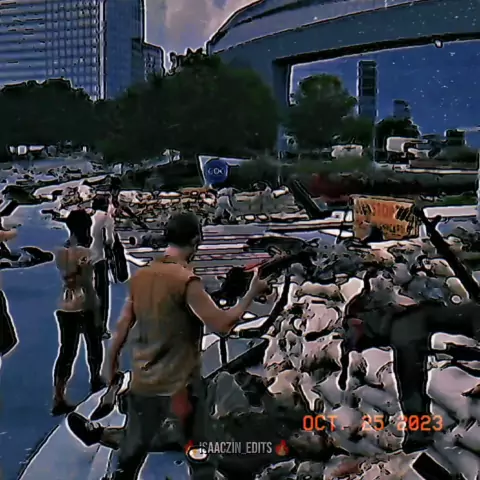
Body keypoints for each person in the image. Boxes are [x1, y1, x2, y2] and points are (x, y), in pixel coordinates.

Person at [67, 212, 272, 479]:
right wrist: (251, 294)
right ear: (196, 240)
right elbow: (222, 326)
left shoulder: (144, 276)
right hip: (180, 383)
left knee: (136, 447)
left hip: (145, 378)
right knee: (200, 450)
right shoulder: (187, 281)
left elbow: (123, 326)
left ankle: (110, 451)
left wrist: (112, 367)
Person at [52, 209, 105, 416]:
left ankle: (59, 395)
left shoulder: (60, 253)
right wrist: (98, 309)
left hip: (64, 304)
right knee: (94, 343)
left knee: (67, 350)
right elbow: (88, 285)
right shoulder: (86, 254)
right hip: (84, 302)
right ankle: (95, 378)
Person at [91, 195, 115, 339]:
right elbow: (109, 240)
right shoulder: (106, 218)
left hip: (86, 259)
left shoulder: (89, 218)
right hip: (100, 260)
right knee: (102, 296)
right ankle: (101, 328)